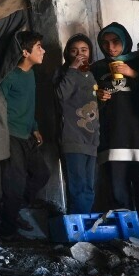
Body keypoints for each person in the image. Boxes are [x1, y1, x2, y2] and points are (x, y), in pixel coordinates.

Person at [91, 23, 139, 222]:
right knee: (116, 181)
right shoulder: (98, 68)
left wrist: (132, 74)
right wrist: (98, 96)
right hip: (112, 133)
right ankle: (125, 224)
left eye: (116, 41)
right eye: (105, 43)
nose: (111, 47)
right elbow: (86, 102)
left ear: (125, 40)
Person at [0, 31, 50, 234]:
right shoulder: (10, 76)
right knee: (15, 182)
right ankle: (7, 232)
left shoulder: (31, 74)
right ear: (25, 52)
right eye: (38, 47)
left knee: (42, 174)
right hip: (10, 135)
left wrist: (35, 127)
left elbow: (27, 105)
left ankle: (12, 212)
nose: (43, 50)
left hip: (27, 134)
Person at [54, 34, 99, 214]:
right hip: (72, 137)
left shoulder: (91, 74)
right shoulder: (63, 73)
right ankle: (78, 231)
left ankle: (85, 226)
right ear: (67, 54)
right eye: (73, 51)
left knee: (89, 186)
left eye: (84, 50)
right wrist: (72, 69)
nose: (79, 54)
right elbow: (60, 96)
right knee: (78, 186)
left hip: (91, 138)